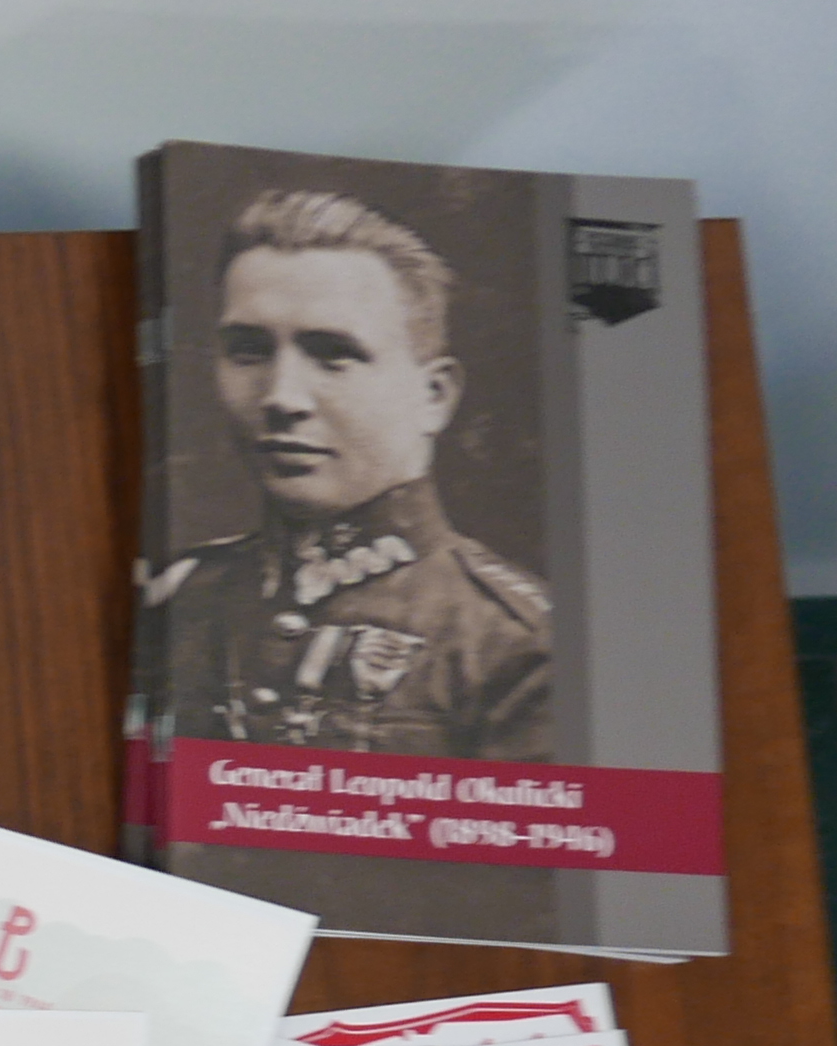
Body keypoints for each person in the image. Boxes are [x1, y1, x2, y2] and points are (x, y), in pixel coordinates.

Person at [149, 187, 551, 760]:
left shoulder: (516, 645)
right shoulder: (176, 601)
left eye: (333, 354)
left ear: (434, 396)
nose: (281, 396)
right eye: (249, 350)